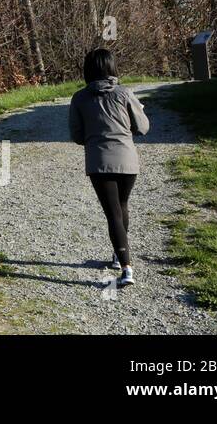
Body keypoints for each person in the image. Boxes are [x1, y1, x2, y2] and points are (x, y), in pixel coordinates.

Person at [68, 48, 151, 288]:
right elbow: (143, 127)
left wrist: (94, 137)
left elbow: (76, 135)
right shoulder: (125, 94)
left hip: (98, 162)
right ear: (112, 67)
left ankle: (126, 268)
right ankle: (118, 255)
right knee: (121, 206)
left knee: (112, 212)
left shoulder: (79, 98)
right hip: (128, 160)